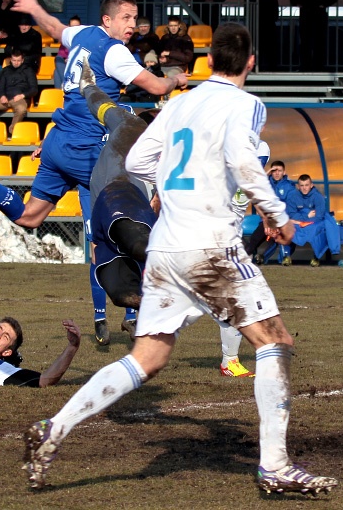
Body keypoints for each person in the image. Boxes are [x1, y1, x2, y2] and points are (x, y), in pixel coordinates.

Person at [21, 22, 338, 495]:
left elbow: (138, 162)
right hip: (210, 242)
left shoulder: (181, 103)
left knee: (147, 356)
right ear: (252, 62)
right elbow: (243, 158)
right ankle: (274, 466)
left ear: (208, 62)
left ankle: (56, 427)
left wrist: (168, 194)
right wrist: (277, 214)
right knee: (274, 342)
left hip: (166, 245)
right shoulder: (248, 105)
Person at [0, 0, 187, 346]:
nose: (132, 25)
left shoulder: (84, 35)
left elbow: (55, 28)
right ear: (107, 20)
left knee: (31, 217)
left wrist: (34, 9)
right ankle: (140, 299)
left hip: (56, 141)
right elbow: (155, 86)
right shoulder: (114, 51)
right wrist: (176, 80)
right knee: (118, 223)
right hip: (86, 148)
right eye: (126, 18)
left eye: (135, 18)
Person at [80, 62, 252, 373]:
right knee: (129, 272)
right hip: (116, 201)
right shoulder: (139, 131)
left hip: (112, 212)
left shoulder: (152, 142)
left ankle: (173, 304)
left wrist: (87, 87)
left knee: (126, 279)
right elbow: (104, 107)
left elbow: (102, 106)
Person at [283, 174, 339, 266]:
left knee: (318, 229)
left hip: (314, 223)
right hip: (302, 222)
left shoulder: (318, 197)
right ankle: (286, 256)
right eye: (302, 185)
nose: (304, 188)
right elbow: (292, 214)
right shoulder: (293, 197)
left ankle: (316, 257)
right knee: (287, 227)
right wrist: (306, 217)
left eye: (306, 185)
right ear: (298, 186)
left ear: (311, 185)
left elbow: (319, 216)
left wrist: (303, 220)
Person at [0, 48, 37, 136]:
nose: (16, 62)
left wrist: (22, 95)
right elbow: (1, 86)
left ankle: (12, 131)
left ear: (22, 60)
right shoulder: (6, 70)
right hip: (6, 97)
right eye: (14, 60)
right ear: (11, 59)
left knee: (21, 109)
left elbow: (34, 89)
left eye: (18, 60)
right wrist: (2, 95)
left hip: (20, 99)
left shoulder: (28, 71)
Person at [54, 15, 82, 89]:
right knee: (58, 59)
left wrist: (70, 60)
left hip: (77, 66)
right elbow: (60, 55)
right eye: (72, 27)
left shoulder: (83, 39)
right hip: (66, 65)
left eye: (76, 27)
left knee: (56, 72)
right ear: (68, 27)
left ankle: (60, 92)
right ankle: (65, 84)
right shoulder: (65, 40)